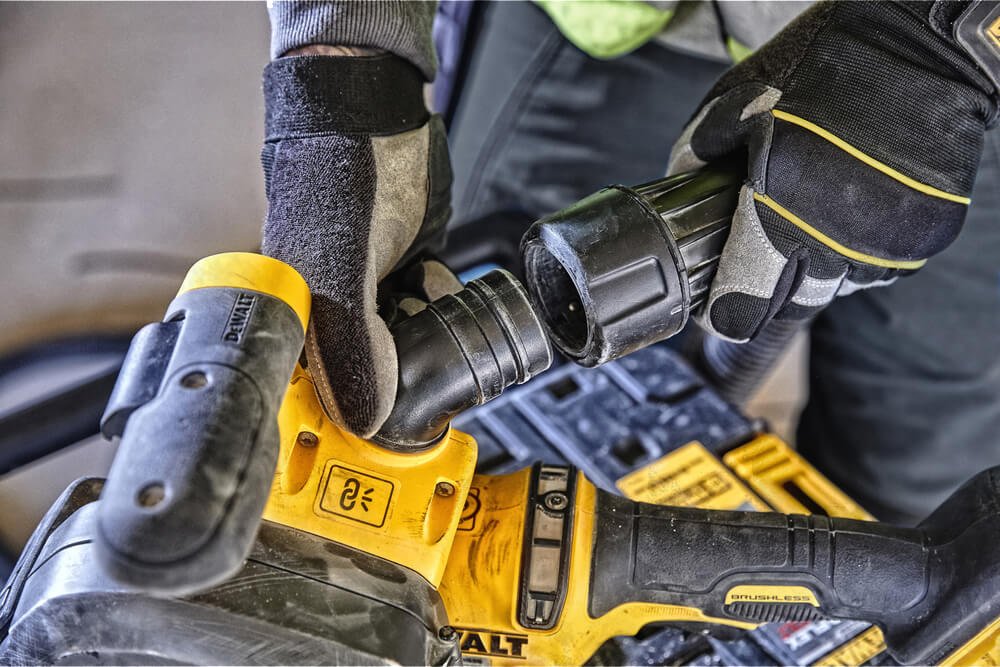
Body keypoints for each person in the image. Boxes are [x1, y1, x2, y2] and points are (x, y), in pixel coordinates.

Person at [261, 0, 999, 524]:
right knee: (500, 467)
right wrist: (341, 62)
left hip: (967, 96)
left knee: (918, 507)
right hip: (619, 33)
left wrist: (947, 38)